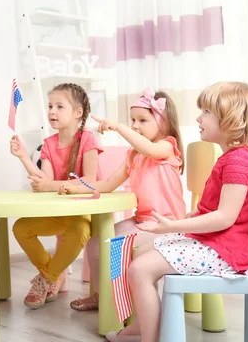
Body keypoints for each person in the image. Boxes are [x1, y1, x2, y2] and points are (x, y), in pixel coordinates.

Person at [106, 82, 248, 342]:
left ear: (230, 119)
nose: (198, 117)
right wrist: (182, 222)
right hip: (220, 243)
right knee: (142, 251)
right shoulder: (233, 157)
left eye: (205, 111)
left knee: (139, 269)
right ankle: (140, 325)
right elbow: (213, 209)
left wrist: (172, 227)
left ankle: (151, 338)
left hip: (226, 249)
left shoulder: (239, 161)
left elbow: (225, 217)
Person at [59, 88, 186, 311]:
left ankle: (130, 305)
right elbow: (108, 184)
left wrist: (119, 126)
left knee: (115, 247)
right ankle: (100, 295)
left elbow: (151, 149)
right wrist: (77, 187)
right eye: (132, 120)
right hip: (142, 220)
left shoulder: (167, 146)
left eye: (142, 120)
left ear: (164, 122)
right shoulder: (134, 155)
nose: (135, 125)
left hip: (168, 225)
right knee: (95, 244)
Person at [9, 83, 102, 308]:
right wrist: (23, 156)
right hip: (59, 212)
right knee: (21, 228)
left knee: (80, 230)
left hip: (82, 212)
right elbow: (45, 179)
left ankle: (45, 279)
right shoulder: (48, 144)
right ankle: (52, 275)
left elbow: (90, 181)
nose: (52, 111)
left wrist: (52, 186)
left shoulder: (87, 139)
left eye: (60, 107)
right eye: (50, 106)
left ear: (77, 113)